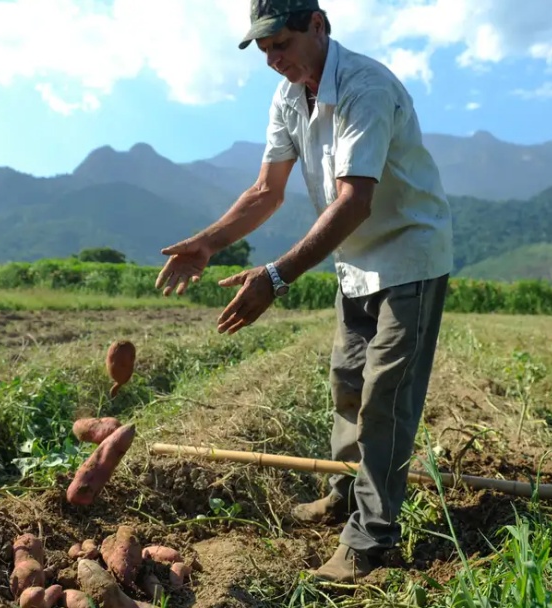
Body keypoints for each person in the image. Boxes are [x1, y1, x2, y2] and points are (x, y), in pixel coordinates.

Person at [154, 0, 454, 584]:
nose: (273, 59)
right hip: (354, 262)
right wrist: (208, 242)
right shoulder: (290, 95)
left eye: (282, 44)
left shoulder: (365, 86)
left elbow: (354, 200)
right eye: (264, 49)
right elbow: (267, 191)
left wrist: (275, 277)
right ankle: (347, 493)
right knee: (347, 383)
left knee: (384, 399)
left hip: (408, 255)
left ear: (319, 26)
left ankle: (371, 540)